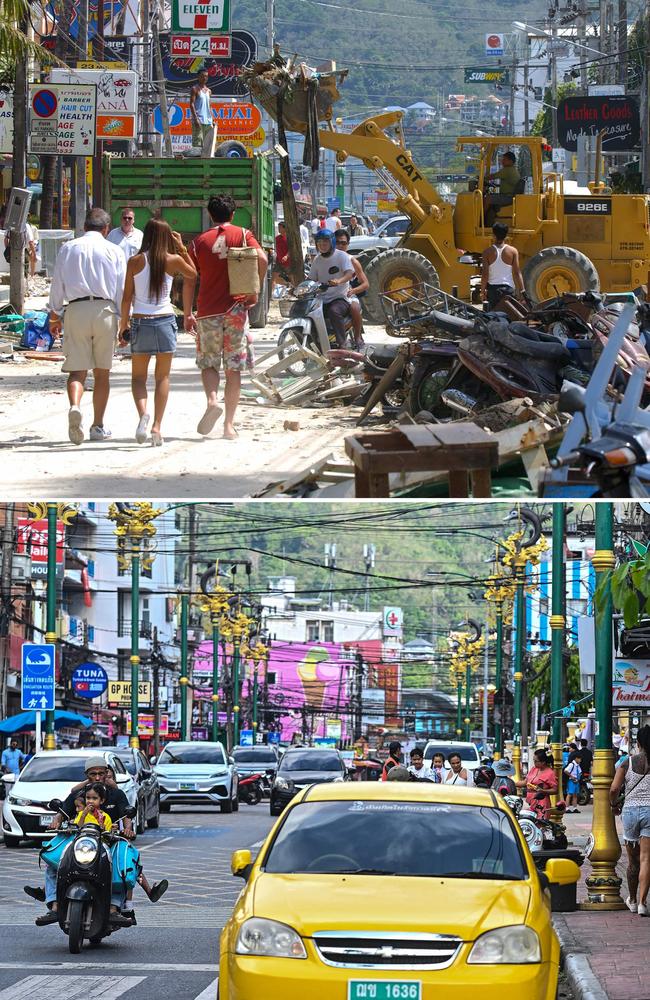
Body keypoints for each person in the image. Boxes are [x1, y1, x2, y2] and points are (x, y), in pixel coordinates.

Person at [184, 194, 268, 441]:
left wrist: (188, 313)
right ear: (233, 214)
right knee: (233, 368)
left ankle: (212, 401)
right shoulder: (243, 235)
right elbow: (262, 259)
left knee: (209, 363)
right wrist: (254, 291)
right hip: (235, 310)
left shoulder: (199, 242)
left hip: (208, 310)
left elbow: (190, 279)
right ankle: (229, 426)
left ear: (210, 215)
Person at [48, 207, 126, 446]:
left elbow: (57, 283)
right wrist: (124, 322)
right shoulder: (114, 250)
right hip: (105, 311)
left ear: (84, 227)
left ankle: (75, 406)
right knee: (102, 373)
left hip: (76, 310)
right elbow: (121, 289)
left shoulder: (68, 248)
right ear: (106, 229)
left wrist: (54, 315)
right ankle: (98, 426)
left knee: (76, 371)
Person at [119, 218, 197, 447]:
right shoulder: (173, 261)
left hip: (141, 322)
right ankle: (157, 428)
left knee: (138, 378)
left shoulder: (134, 261)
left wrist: (123, 326)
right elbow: (193, 274)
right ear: (166, 237)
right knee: (162, 377)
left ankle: (143, 414)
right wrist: (181, 247)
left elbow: (126, 298)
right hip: (164, 321)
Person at [610, 725, 650, 915]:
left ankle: (632, 900)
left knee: (633, 860)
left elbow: (613, 789)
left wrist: (613, 805)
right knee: (646, 859)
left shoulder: (627, 762)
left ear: (639, 743)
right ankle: (643, 903)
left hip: (631, 812)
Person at [309, 229, 355, 349]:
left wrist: (338, 281)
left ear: (332, 242)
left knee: (334, 311)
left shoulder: (342, 256)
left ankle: (342, 344)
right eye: (319, 243)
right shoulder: (317, 260)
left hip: (340, 298)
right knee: (309, 313)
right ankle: (316, 344)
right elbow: (311, 279)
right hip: (321, 300)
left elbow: (349, 273)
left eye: (325, 242)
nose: (322, 245)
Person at [335, 228, 368, 350]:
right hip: (328, 294)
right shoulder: (325, 259)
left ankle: (358, 337)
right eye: (337, 242)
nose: (340, 245)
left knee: (355, 307)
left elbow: (365, 284)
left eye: (343, 243)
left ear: (348, 245)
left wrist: (353, 291)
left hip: (346, 294)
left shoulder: (352, 261)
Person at [480, 222, 525, 311]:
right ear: (506, 235)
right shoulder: (513, 251)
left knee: (493, 317)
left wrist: (482, 291)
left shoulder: (487, 252)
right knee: (508, 316)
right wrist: (522, 291)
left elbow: (485, 274)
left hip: (493, 291)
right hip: (508, 290)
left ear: (493, 235)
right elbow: (517, 273)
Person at [518, 748, 558, 820]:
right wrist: (511, 783)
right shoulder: (534, 769)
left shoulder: (550, 773)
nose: (534, 762)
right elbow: (525, 782)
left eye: (536, 761)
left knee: (540, 825)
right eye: (533, 760)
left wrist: (542, 790)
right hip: (530, 802)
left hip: (541, 803)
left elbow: (555, 790)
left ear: (543, 762)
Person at [484, 151, 521, 227]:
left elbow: (492, 176)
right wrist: (492, 187)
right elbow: (504, 185)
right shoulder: (512, 170)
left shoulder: (507, 170)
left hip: (508, 197)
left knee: (487, 198)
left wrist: (482, 178)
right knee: (490, 196)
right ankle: (489, 220)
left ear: (510, 161)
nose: (502, 161)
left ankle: (480, 218)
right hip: (508, 195)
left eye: (504, 160)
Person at [190, 70, 214, 150]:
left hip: (208, 121)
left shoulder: (209, 91)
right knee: (198, 145)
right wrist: (196, 119)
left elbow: (210, 106)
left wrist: (213, 119)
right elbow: (191, 104)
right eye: (202, 76)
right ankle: (197, 162)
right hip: (199, 121)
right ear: (198, 77)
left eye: (206, 76)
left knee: (208, 145)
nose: (204, 78)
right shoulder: (195, 89)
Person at [272, 221, 291, 290]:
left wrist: (286, 256)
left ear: (285, 229)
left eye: (280, 227)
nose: (279, 229)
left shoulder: (289, 239)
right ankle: (271, 297)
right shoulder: (277, 238)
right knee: (273, 278)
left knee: (292, 278)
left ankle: (296, 291)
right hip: (278, 261)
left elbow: (291, 250)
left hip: (288, 262)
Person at [564, 744, 582, 813]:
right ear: (576, 758)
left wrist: (578, 778)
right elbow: (566, 770)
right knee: (570, 794)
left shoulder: (578, 765)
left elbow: (580, 772)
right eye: (579, 759)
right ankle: (567, 808)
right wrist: (571, 776)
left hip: (576, 781)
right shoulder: (572, 764)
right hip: (571, 781)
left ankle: (575, 808)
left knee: (575, 795)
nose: (580, 760)